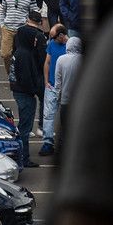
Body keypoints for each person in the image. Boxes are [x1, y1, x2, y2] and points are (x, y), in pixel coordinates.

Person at [10, 9, 47, 168]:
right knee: (25, 128)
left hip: (18, 90)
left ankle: (21, 157)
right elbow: (26, 79)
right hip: (25, 93)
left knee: (24, 127)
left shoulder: (18, 52)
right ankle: (23, 159)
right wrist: (37, 90)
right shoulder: (25, 56)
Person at [0, 0, 38, 73]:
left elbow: (34, 13)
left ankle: (19, 74)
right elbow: (2, 11)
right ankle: (10, 74)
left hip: (22, 30)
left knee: (21, 55)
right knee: (5, 54)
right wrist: (2, 24)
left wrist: (30, 26)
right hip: (7, 28)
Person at [40, 24, 68, 156]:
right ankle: (48, 142)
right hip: (51, 85)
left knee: (65, 116)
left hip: (65, 87)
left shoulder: (71, 46)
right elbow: (47, 62)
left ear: (61, 35)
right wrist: (46, 81)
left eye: (53, 37)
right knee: (48, 115)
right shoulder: (52, 44)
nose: (50, 39)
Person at [52, 35, 82, 147]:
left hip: (65, 100)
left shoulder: (61, 59)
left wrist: (56, 97)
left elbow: (58, 81)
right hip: (79, 101)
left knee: (64, 128)